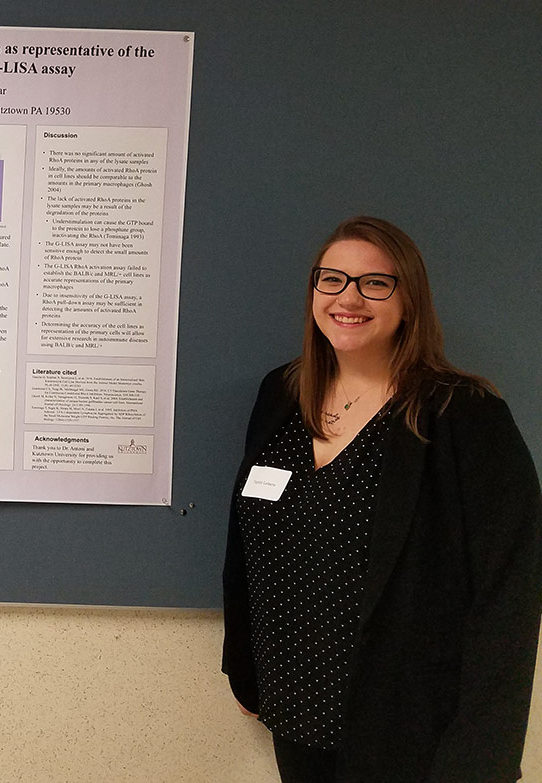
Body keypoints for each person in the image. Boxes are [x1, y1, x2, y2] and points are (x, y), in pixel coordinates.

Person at [222, 216, 542, 782]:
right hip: (294, 711)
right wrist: (244, 664)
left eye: (375, 283)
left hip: (409, 723)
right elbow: (247, 542)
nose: (349, 297)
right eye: (332, 279)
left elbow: (509, 594)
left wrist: (484, 753)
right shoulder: (283, 392)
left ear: (408, 300)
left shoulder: (462, 415)